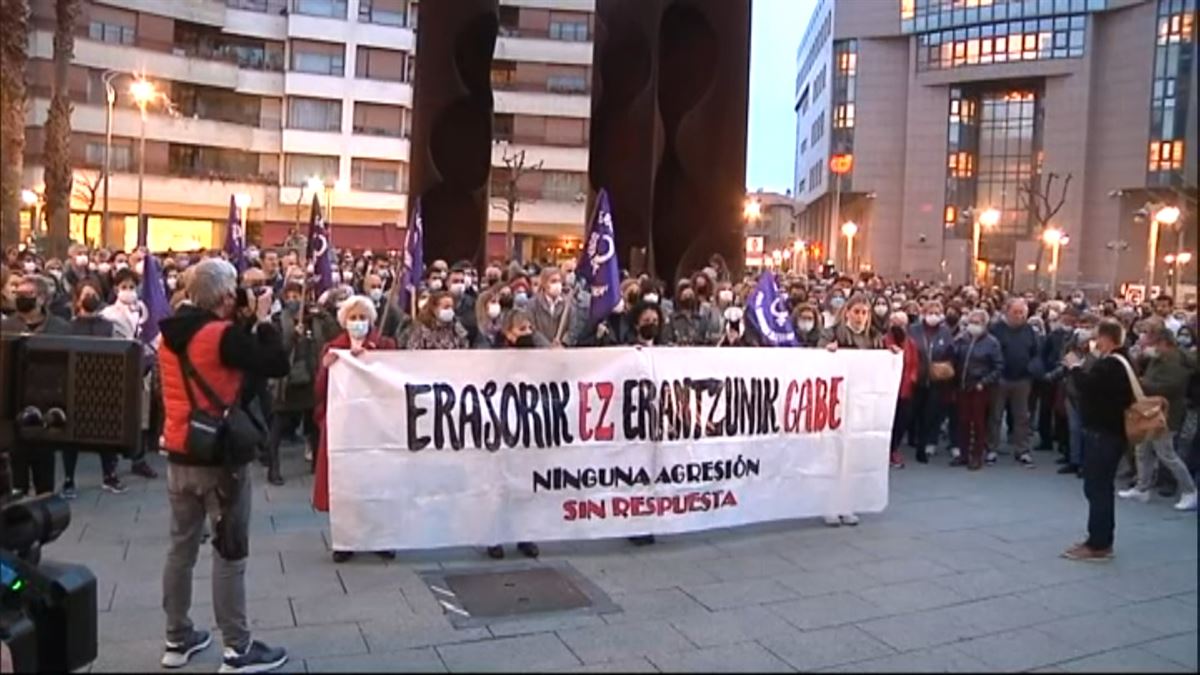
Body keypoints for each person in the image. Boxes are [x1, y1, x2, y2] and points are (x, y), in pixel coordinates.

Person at [157, 259, 289, 672]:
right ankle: (238, 648)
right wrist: (264, 320)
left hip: (180, 450)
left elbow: (230, 377)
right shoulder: (220, 336)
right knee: (229, 551)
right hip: (221, 458)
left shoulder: (168, 337)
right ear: (226, 296)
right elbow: (275, 364)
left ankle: (177, 638)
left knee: (181, 547)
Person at [312, 295, 398, 562]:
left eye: (363, 318)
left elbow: (395, 380)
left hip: (376, 425)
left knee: (378, 481)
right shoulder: (333, 349)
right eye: (353, 318)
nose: (358, 323)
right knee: (344, 483)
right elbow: (318, 392)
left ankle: (381, 537)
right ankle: (346, 540)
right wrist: (327, 368)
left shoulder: (385, 345)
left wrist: (372, 358)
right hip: (343, 425)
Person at [1060, 319, 1134, 561]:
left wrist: (1074, 367)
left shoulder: (1112, 364)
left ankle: (1098, 543)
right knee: (1100, 487)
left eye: (1097, 337)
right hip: (1110, 432)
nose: (1094, 342)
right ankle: (1099, 538)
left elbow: (1087, 387)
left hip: (1104, 433)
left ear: (1106, 338)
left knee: (1097, 487)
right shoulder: (1120, 361)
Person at [820, 294, 892, 526]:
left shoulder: (874, 338)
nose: (861, 317)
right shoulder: (833, 333)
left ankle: (847, 504)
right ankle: (829, 505)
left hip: (862, 402)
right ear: (847, 312)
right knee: (833, 453)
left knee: (854, 455)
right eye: (857, 312)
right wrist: (826, 351)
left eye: (864, 312)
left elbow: (883, 360)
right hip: (836, 402)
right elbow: (816, 357)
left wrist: (892, 356)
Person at [1, 274, 71, 498]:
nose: (21, 298)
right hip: (13, 408)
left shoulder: (60, 328)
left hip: (47, 409)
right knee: (15, 479)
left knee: (45, 480)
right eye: (18, 294)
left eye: (27, 294)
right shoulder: (6, 326)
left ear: (41, 298)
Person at [486, 308, 546, 559]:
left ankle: (524, 535)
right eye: (522, 329)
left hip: (529, 425)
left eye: (530, 328)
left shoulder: (538, 356)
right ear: (508, 333)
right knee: (500, 484)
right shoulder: (494, 357)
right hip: (501, 426)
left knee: (525, 483)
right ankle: (494, 536)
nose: (528, 334)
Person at [1116, 325, 1198, 510]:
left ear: (1162, 343)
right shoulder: (1159, 358)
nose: (1149, 347)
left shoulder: (1176, 360)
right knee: (1142, 449)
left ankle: (1190, 490)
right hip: (1151, 410)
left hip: (1167, 413)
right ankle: (1142, 487)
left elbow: (1170, 386)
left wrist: (1144, 383)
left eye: (1152, 343)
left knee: (1167, 454)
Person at [62, 279, 126, 496]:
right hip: (75, 388)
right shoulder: (68, 327)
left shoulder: (108, 325)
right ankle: (69, 480)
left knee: (106, 435)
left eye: (94, 293)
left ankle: (109, 475)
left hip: (104, 387)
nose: (90, 297)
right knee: (70, 438)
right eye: (86, 293)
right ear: (78, 299)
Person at [264, 282, 318, 486]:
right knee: (278, 425)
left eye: (298, 295)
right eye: (291, 295)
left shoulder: (314, 319)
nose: (295, 299)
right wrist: (293, 335)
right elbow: (279, 351)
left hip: (308, 377)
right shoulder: (278, 321)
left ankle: (316, 463)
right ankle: (273, 468)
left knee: (313, 424)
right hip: (285, 381)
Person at [988, 298, 1042, 467]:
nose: (1019, 316)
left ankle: (1022, 450)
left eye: (1022, 313)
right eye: (1016, 312)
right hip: (1001, 378)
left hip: (1022, 379)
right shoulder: (996, 329)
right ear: (1007, 312)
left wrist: (1032, 368)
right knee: (995, 415)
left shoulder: (1030, 331)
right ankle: (991, 448)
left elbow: (1036, 353)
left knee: (1022, 416)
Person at [953, 309, 1005, 470]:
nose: (973, 326)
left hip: (980, 387)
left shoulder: (992, 342)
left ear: (984, 324)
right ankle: (963, 454)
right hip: (963, 385)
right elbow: (955, 357)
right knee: (963, 421)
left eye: (977, 322)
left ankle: (976, 456)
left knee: (978, 423)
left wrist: (984, 382)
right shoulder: (963, 339)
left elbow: (998, 366)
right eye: (971, 322)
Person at [910, 300, 956, 464]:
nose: (933, 316)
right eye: (930, 312)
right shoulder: (914, 330)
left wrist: (944, 365)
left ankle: (923, 447)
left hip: (936, 378)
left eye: (937, 313)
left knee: (929, 414)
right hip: (917, 376)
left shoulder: (945, 332)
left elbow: (951, 352)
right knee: (911, 413)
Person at [882, 311, 920, 469]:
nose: (898, 327)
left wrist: (913, 377)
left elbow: (915, 364)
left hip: (905, 389)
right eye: (895, 323)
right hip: (886, 390)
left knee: (901, 421)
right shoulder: (883, 341)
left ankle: (894, 449)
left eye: (901, 324)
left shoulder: (911, 343)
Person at [529, 266, 573, 346]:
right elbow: (532, 329)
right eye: (553, 281)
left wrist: (563, 343)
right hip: (540, 352)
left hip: (562, 352)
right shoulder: (533, 304)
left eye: (559, 281)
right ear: (544, 283)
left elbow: (572, 328)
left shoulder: (568, 303)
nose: (557, 284)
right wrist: (547, 346)